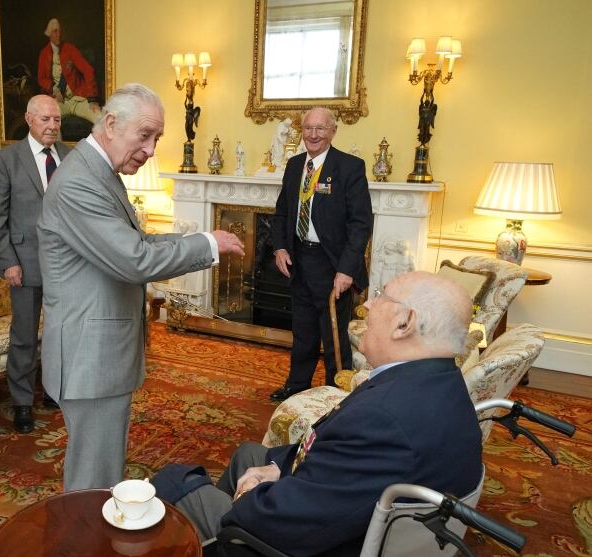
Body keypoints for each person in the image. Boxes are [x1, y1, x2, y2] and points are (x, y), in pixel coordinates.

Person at [155, 271, 483, 556]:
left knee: (175, 481)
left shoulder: (385, 420)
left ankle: (216, 540)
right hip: (346, 511)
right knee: (252, 456)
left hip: (310, 542)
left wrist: (250, 499)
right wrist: (276, 468)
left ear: (404, 322)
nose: (367, 304)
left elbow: (287, 522)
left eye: (381, 295)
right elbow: (338, 465)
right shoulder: (440, 382)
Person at [37, 83, 245, 491]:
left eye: (157, 138)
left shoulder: (100, 172)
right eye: (145, 135)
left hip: (99, 354)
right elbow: (135, 260)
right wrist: (206, 246)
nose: (151, 150)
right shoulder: (80, 182)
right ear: (111, 124)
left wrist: (201, 240)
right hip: (88, 356)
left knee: (102, 469)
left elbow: (138, 243)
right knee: (91, 479)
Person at [270, 107, 373, 402]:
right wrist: (279, 247)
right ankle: (297, 386)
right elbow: (281, 213)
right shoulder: (293, 166)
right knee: (302, 330)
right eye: (308, 128)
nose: (313, 135)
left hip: (333, 265)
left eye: (320, 129)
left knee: (333, 334)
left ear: (333, 131)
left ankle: (337, 392)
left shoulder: (350, 167)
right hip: (299, 261)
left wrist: (347, 269)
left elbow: (360, 224)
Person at [0, 95, 70, 433]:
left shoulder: (70, 156)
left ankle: (53, 390)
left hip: (66, 263)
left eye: (57, 120)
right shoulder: (6, 159)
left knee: (59, 332)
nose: (53, 126)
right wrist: (8, 262)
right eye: (46, 119)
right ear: (29, 120)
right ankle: (22, 402)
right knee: (24, 335)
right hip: (24, 262)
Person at [37, 18, 100, 124]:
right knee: (46, 123)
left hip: (78, 99)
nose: (59, 35)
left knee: (100, 118)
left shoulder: (70, 49)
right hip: (59, 102)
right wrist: (54, 89)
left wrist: (92, 99)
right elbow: (41, 79)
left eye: (60, 31)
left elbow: (88, 70)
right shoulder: (44, 54)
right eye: (55, 31)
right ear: (49, 34)